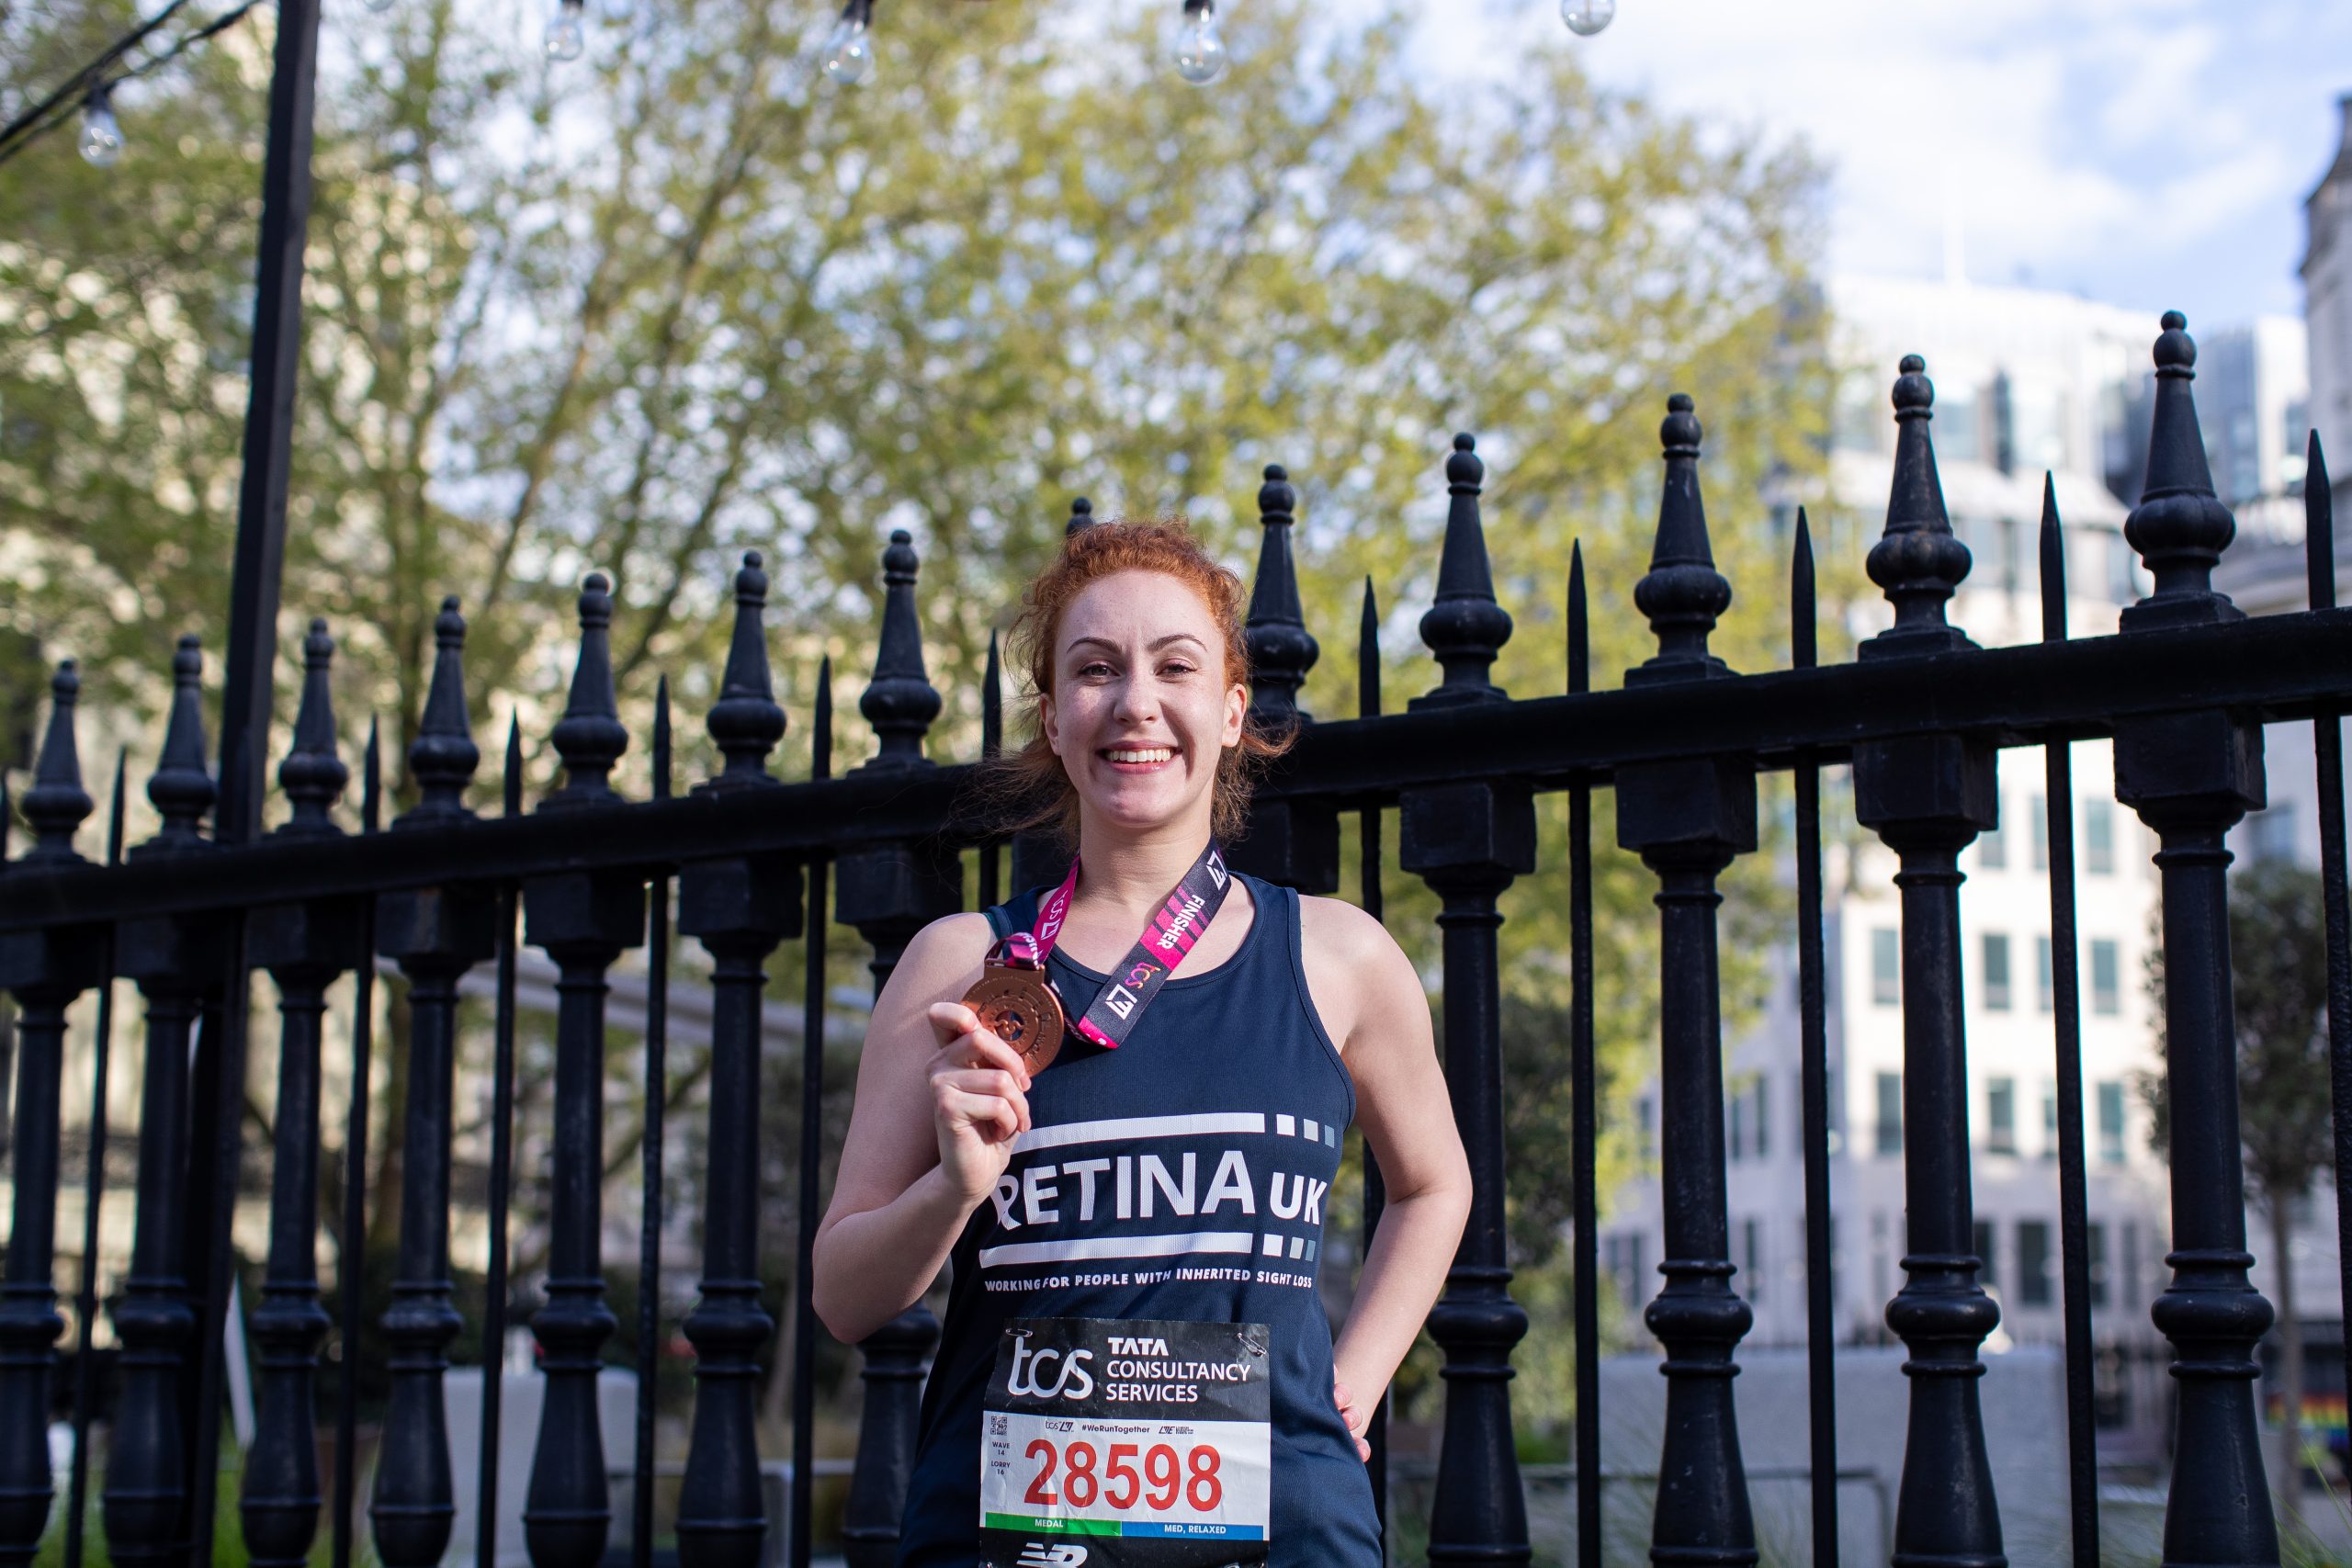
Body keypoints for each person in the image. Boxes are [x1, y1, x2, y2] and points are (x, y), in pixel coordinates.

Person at [813, 519, 1471, 1567]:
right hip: (1007, 1538)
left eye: (1175, 666)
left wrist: (1353, 1382)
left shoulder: (1337, 958)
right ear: (1053, 715)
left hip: (1282, 1536)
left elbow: (1434, 1186)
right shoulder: (959, 965)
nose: (1134, 704)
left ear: (1229, 709)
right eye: (1094, 670)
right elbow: (845, 1298)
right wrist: (950, 1188)